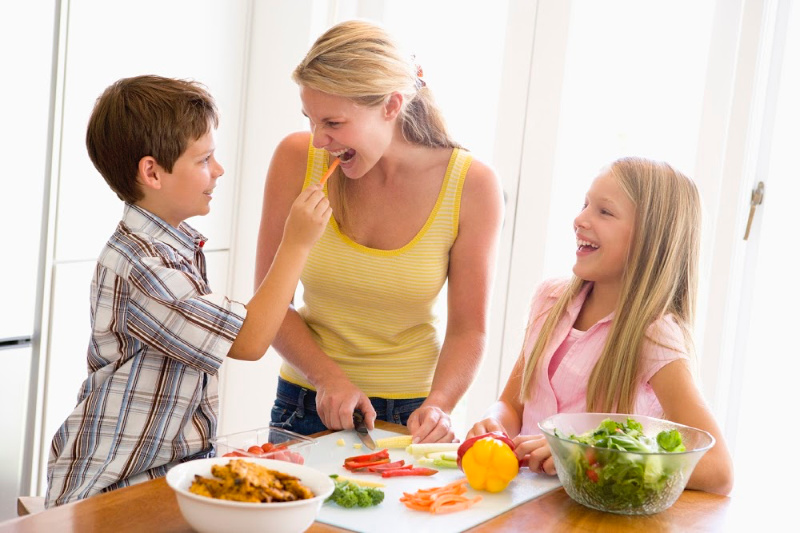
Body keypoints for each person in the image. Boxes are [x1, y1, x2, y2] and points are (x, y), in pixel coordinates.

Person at [46, 75, 331, 506]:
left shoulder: (173, 247)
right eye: (204, 159)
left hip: (161, 477)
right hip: (110, 487)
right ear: (152, 172)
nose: (217, 170)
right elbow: (250, 341)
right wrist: (296, 243)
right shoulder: (141, 265)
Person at [254, 20, 504, 443]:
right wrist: (328, 378)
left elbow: (469, 328)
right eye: (310, 120)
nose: (318, 140)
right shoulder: (296, 159)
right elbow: (269, 301)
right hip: (306, 402)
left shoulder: (472, 186)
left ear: (391, 105)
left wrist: (440, 405)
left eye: (333, 123)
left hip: (411, 417)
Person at [466, 157, 734, 495]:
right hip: (521, 501)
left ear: (650, 238)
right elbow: (512, 404)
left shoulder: (654, 334)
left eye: (604, 212)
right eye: (584, 205)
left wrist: (586, 453)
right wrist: (495, 423)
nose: (579, 220)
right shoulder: (550, 299)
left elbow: (719, 470)